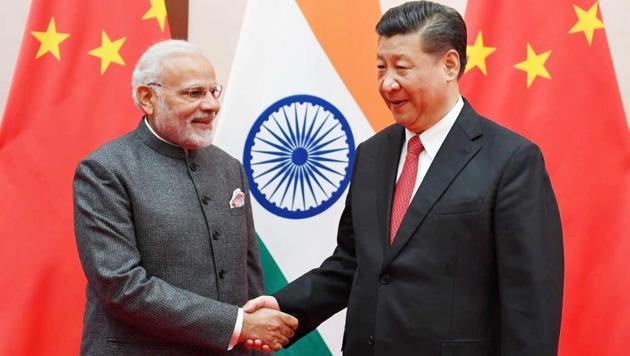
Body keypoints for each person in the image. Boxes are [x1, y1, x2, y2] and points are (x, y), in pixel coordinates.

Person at [244, 1, 564, 355]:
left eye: (401, 67)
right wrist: (283, 308)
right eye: (381, 67)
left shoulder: (511, 160)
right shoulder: (372, 154)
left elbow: (530, 303)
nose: (387, 83)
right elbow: (354, 262)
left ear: (449, 65)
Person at [73, 40, 297, 356]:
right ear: (147, 98)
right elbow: (121, 286)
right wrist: (237, 324)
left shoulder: (228, 167)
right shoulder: (105, 170)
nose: (212, 106)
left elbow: (247, 272)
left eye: (213, 92)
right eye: (194, 94)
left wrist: (254, 332)